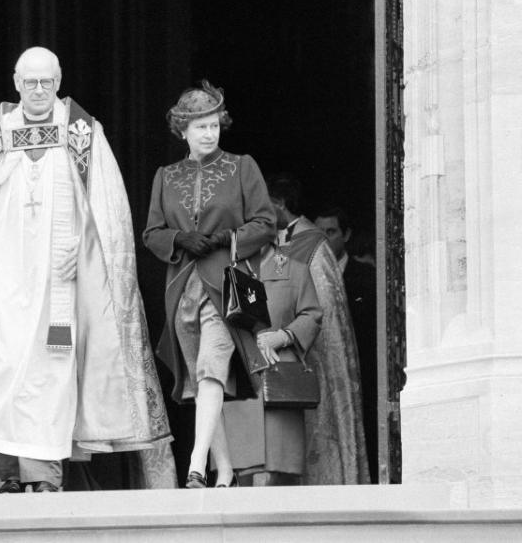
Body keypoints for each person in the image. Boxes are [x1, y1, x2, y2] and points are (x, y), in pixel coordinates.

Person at [0, 46, 174, 493]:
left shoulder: (82, 131)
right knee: (3, 366)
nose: (39, 90)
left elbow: (106, 211)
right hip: (6, 278)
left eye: (47, 81)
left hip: (59, 281)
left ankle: (44, 474)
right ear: (15, 82)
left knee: (50, 371)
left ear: (60, 79)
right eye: (31, 81)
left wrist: (85, 251)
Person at [143, 80, 275, 489]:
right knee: (203, 383)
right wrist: (180, 239)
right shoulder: (166, 176)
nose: (209, 133)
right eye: (200, 126)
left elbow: (265, 223)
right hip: (182, 290)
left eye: (214, 125)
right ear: (183, 130)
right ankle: (227, 471)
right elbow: (152, 233)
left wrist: (225, 238)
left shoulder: (241, 166)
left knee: (211, 369)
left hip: (224, 286)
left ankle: (197, 464)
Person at [223, 175, 369, 485]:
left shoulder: (310, 245)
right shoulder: (263, 250)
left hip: (306, 361)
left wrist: (286, 334)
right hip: (264, 359)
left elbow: (324, 312)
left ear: (277, 205)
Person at [315, 204, 378, 482]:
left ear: (347, 234)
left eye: (331, 231)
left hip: (365, 371)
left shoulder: (366, 277)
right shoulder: (309, 274)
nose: (324, 238)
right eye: (319, 232)